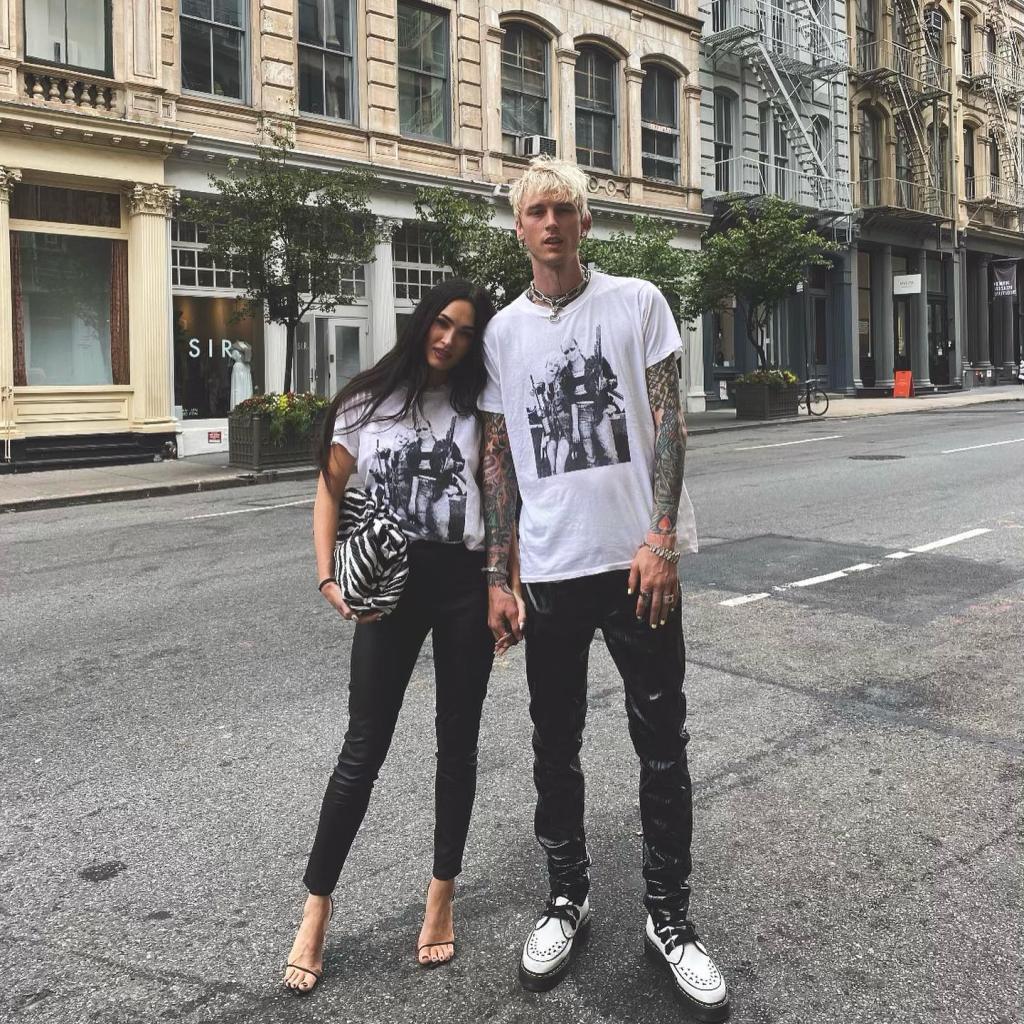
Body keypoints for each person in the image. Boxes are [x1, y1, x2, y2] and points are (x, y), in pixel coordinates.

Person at [480, 157, 729, 1020]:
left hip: (636, 567)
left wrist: (662, 536)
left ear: (586, 223)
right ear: (519, 229)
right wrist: (495, 576)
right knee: (556, 745)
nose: (550, 222)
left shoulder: (637, 303)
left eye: (564, 209)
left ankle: (670, 918)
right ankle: (567, 898)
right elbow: (500, 458)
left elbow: (669, 420)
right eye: (536, 211)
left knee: (662, 743)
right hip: (549, 572)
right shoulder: (503, 334)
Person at [283, 279, 524, 995]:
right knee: (363, 748)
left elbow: (498, 499)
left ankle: (441, 893)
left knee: (459, 744)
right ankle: (315, 910)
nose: (449, 339)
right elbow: (330, 489)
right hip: (387, 582)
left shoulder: (479, 408)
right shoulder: (367, 400)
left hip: (461, 581)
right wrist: (327, 577)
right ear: (422, 323)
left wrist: (501, 584)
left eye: (465, 332)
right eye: (441, 324)